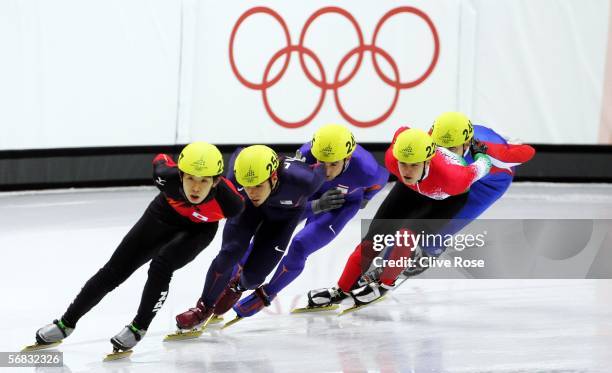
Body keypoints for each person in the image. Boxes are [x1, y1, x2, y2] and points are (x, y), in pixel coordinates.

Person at [32, 142, 244, 352]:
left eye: (204, 180)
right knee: (115, 269)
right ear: (180, 175)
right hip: (162, 216)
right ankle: (66, 323)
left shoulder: (231, 203)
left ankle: (138, 327)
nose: (196, 187)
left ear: (216, 181)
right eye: (190, 178)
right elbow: (160, 159)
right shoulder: (164, 176)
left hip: (198, 231)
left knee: (161, 266)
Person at [306, 127, 493, 308]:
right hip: (410, 189)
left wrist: (479, 153)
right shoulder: (392, 159)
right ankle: (341, 289)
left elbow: (483, 166)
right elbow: (401, 130)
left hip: (446, 197)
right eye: (403, 163)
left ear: (427, 162)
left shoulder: (454, 177)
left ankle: (386, 283)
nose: (407, 171)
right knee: (372, 241)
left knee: (406, 235)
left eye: (413, 165)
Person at [231, 124, 389, 318]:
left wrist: (366, 198)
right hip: (311, 198)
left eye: (333, 164)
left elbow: (381, 180)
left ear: (348, 158)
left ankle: (267, 293)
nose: (327, 170)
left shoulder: (367, 168)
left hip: (341, 205)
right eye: (322, 162)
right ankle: (233, 281)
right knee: (268, 234)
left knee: (300, 245)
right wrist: (316, 203)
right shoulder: (306, 154)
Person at [175, 144, 326, 329]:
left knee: (254, 277)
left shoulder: (304, 180)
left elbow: (324, 164)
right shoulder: (235, 178)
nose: (252, 192)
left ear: (274, 177)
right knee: (229, 254)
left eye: (258, 186)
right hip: (247, 210)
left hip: (282, 220)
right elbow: (239, 152)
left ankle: (237, 286)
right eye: (247, 186)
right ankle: (203, 308)